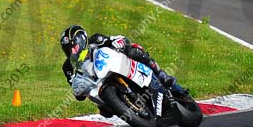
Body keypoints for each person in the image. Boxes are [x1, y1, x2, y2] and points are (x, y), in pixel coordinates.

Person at [59, 24, 188, 98]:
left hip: (118, 64)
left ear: (81, 40)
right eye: (68, 49)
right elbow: (78, 94)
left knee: (133, 50)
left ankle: (160, 73)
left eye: (73, 46)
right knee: (105, 112)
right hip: (99, 86)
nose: (72, 51)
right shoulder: (68, 68)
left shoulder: (96, 39)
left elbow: (121, 39)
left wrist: (118, 43)